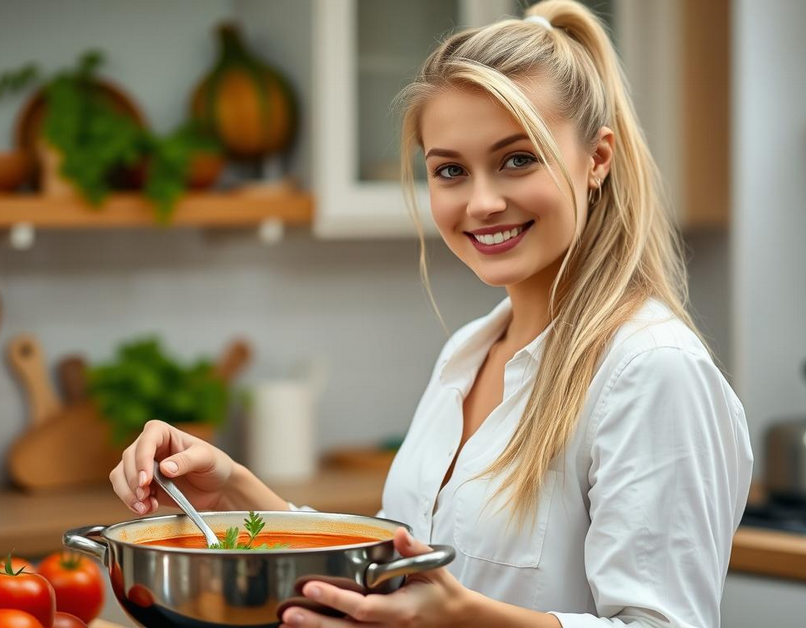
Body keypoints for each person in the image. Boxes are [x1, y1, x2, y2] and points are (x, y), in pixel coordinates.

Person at [109, 1, 752, 626]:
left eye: (517, 159)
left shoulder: (649, 371)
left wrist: (463, 622)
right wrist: (235, 489)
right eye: (450, 170)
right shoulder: (469, 352)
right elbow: (405, 577)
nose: (480, 202)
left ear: (598, 160)